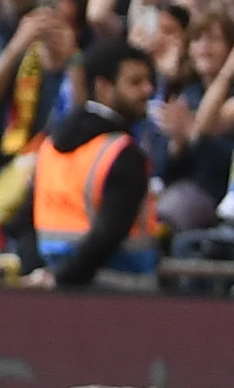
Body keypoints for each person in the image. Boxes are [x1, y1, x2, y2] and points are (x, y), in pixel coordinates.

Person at [33, 38, 163, 288]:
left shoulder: (50, 146)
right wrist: (62, 278)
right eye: (135, 82)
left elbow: (25, 222)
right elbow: (109, 233)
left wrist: (51, 277)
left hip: (58, 286)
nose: (148, 90)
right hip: (122, 289)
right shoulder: (122, 153)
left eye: (149, 81)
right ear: (103, 87)